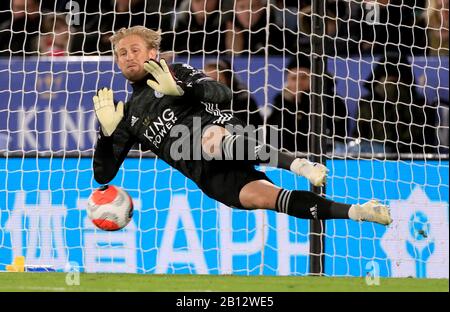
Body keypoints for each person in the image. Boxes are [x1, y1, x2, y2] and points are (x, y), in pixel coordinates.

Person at [92, 26, 392, 227]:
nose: (128, 57)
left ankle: (300, 164)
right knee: (266, 198)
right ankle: (357, 211)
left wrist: (181, 90)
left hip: (220, 132)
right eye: (122, 53)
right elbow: (103, 175)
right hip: (207, 175)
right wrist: (107, 135)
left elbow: (223, 94)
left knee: (206, 140)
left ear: (152, 53)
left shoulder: (178, 72)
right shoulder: (126, 114)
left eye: (134, 50)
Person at [267, 55, 347, 153]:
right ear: (287, 81)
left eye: (303, 77)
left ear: (313, 78)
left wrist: (303, 102)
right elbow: (272, 138)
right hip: (288, 160)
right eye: (293, 78)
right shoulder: (281, 102)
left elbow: (338, 135)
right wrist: (289, 104)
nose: (298, 83)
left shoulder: (331, 101)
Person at [203, 59, 263, 128]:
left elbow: (256, 130)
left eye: (217, 80)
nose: (212, 85)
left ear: (229, 81)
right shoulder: (198, 103)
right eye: (207, 80)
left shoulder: (244, 102)